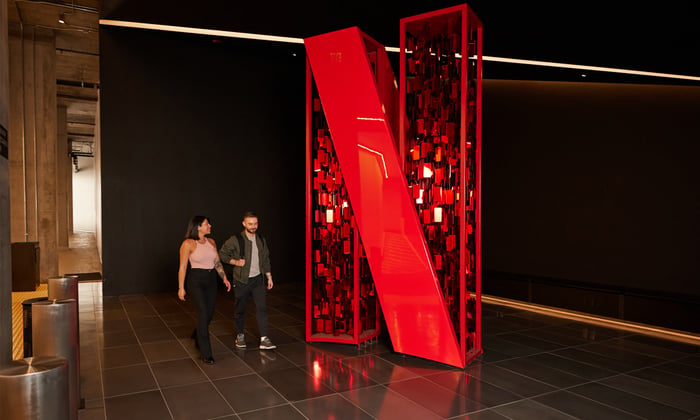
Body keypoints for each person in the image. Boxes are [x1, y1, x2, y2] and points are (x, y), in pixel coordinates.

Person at [178, 215, 231, 364]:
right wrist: (181, 287)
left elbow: (217, 262)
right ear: (198, 227)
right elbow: (182, 267)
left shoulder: (212, 242)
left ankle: (197, 332)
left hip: (211, 280)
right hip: (196, 280)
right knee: (202, 312)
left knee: (209, 313)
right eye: (207, 224)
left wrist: (224, 278)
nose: (210, 226)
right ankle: (206, 353)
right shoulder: (188, 244)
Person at [219, 211, 276, 350]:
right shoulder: (236, 239)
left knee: (261, 308)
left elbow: (265, 259)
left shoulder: (261, 239)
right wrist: (236, 262)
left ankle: (264, 338)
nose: (253, 226)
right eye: (250, 224)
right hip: (242, 281)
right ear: (244, 223)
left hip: (258, 280)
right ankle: (240, 335)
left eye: (256, 223)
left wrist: (269, 277)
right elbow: (222, 254)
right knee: (240, 309)